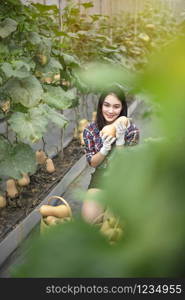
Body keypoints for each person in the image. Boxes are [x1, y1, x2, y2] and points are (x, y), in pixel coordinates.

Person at [83, 85, 140, 188]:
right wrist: (104, 149)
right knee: (89, 204)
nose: (110, 111)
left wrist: (120, 141)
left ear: (122, 107)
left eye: (116, 106)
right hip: (101, 176)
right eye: (107, 105)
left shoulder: (132, 131)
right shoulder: (90, 130)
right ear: (101, 106)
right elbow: (93, 164)